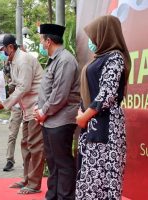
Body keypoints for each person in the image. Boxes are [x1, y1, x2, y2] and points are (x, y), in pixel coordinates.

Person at [75, 15, 130, 200]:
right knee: (89, 178)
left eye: (94, 36)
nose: (92, 41)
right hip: (92, 124)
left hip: (106, 126)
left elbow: (107, 94)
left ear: (104, 34)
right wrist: (81, 112)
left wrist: (84, 116)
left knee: (102, 179)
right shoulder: (100, 57)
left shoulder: (115, 57)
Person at [0, 34, 45, 194]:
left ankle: (34, 184)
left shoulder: (23, 60)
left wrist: (5, 104)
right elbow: (15, 83)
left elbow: (24, 87)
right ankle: (27, 179)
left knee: (35, 146)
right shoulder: (13, 61)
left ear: (10, 47)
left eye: (2, 50)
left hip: (36, 107)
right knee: (25, 144)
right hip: (26, 108)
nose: (1, 53)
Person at [33, 24, 80, 200]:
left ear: (48, 41)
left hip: (61, 120)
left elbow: (60, 95)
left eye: (41, 40)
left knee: (63, 162)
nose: (40, 43)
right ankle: (52, 195)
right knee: (53, 161)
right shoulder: (54, 59)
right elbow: (47, 90)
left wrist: (43, 112)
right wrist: (39, 108)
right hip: (50, 119)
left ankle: (66, 197)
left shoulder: (65, 60)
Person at [3, 104, 23, 171]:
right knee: (12, 136)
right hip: (16, 109)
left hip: (29, 108)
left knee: (28, 138)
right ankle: (10, 161)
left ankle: (27, 161)